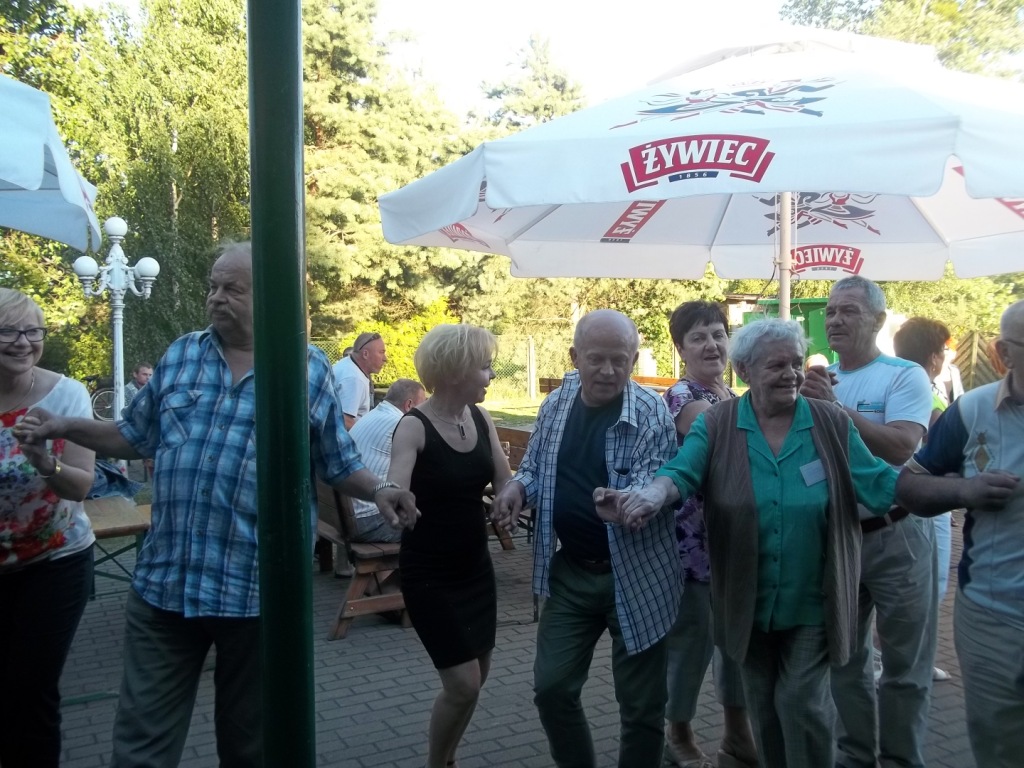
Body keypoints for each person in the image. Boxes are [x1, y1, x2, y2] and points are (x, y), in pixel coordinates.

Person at [15, 242, 418, 768]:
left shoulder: (306, 369)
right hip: (167, 585)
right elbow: (133, 436)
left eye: (232, 289)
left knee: (250, 749)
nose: (216, 298)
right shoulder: (182, 353)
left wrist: (381, 489)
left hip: (257, 594)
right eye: (213, 286)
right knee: (139, 750)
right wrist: (65, 425)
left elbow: (336, 462)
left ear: (269, 296)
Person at [606, 318, 902, 767]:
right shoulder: (715, 415)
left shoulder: (825, 419)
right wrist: (650, 495)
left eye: (797, 363)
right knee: (760, 702)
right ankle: (721, 742)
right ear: (744, 370)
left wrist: (948, 490)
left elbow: (882, 482)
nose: (792, 374)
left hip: (811, 597)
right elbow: (683, 469)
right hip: (741, 588)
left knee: (800, 700)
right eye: (777, 365)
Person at [491, 309, 680, 768]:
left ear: (633, 358)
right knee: (552, 689)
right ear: (575, 357)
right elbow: (535, 468)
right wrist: (517, 488)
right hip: (572, 572)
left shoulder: (651, 412)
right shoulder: (557, 403)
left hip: (638, 576)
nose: (609, 371)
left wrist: (630, 502)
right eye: (597, 359)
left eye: (621, 360)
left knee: (642, 707)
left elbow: (651, 482)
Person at [801, 276, 936, 768]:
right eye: (832, 311)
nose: (835, 319)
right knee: (846, 657)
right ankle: (855, 757)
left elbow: (901, 447)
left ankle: (900, 759)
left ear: (878, 320)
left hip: (898, 534)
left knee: (905, 664)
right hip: (840, 537)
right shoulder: (821, 379)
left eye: (849, 311)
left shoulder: (904, 375)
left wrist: (834, 410)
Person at [895, 299, 1024, 768]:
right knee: (1001, 748)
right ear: (1004, 354)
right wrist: (965, 491)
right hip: (995, 616)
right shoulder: (972, 411)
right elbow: (908, 485)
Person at [387, 324, 511, 768]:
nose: (490, 375)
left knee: (479, 676)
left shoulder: (480, 418)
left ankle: (449, 757)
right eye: (484, 366)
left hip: (475, 568)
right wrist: (397, 498)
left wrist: (509, 500)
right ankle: (437, 763)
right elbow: (396, 482)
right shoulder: (413, 426)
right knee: (463, 684)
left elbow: (504, 478)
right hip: (430, 575)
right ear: (456, 370)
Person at [0, 288, 97, 768]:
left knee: (30, 691)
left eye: (32, 331)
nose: (23, 342)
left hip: (54, 563)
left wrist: (44, 462)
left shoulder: (66, 396)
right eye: (8, 331)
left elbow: (80, 487)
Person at [661, 301, 757, 768]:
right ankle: (677, 732)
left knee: (736, 641)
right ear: (681, 349)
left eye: (718, 334)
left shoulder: (730, 393)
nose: (712, 344)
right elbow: (733, 442)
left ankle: (737, 734)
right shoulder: (685, 397)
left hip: (734, 542)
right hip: (695, 546)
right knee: (694, 644)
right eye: (698, 337)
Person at [893, 316, 956, 682]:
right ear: (933, 356)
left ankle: (908, 658)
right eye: (943, 351)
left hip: (913, 496)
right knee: (931, 583)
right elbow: (941, 446)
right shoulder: (925, 391)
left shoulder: (902, 381)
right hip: (928, 497)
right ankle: (903, 659)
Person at [348, 378, 426, 543]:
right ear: (409, 405)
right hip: (368, 520)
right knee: (437, 527)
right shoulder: (400, 424)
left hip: (346, 515)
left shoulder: (373, 414)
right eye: (423, 404)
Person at [334, 331, 387, 429]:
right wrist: (367, 435)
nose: (385, 359)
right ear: (365, 354)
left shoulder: (349, 365)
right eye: (381, 352)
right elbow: (345, 420)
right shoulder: (354, 379)